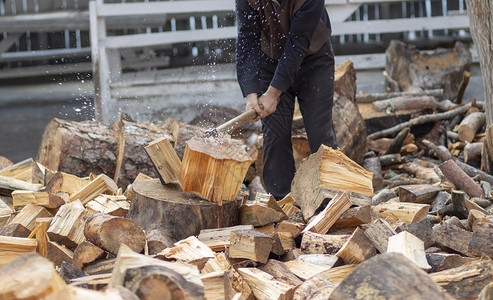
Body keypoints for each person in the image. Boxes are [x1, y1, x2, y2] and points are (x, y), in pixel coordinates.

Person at [235, 0, 338, 200]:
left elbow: (297, 44)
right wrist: (251, 93)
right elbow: (247, 40)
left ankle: (333, 198)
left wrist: (273, 94)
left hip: (313, 59)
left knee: (320, 131)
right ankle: (282, 201)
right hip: (270, 60)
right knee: (275, 134)